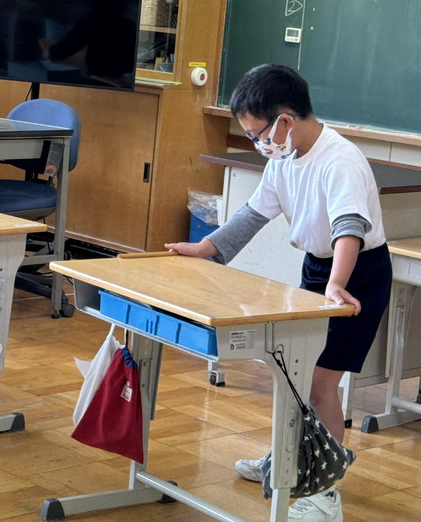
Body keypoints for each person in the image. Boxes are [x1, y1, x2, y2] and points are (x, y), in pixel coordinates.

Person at [165, 64, 391, 522]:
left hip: (357, 275)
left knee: (320, 385)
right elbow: (254, 214)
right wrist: (207, 248)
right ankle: (286, 464)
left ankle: (325, 492)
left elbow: (350, 228)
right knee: (294, 374)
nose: (258, 144)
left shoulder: (340, 159)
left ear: (285, 120)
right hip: (320, 268)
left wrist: (337, 284)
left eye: (258, 134)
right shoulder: (284, 159)